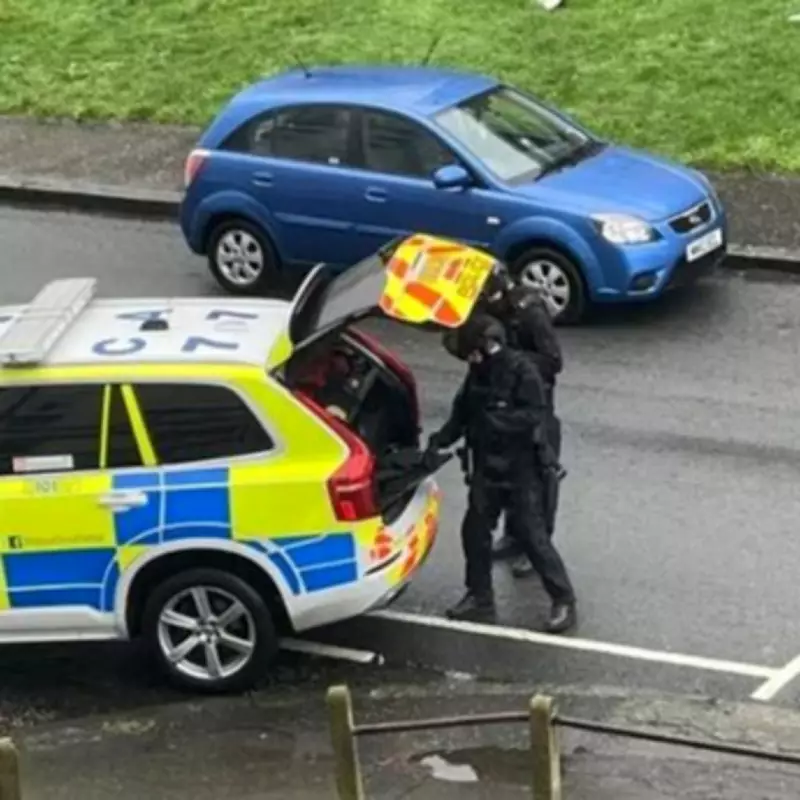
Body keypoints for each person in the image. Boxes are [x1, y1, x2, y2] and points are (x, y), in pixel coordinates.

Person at [429, 314, 577, 633]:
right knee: (475, 531)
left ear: (485, 347)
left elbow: (534, 417)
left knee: (531, 534)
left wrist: (497, 421)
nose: (469, 359)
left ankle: (564, 599)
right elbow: (462, 414)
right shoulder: (477, 374)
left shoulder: (523, 371)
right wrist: (437, 441)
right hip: (486, 466)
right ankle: (480, 598)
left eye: (471, 352)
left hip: (521, 467)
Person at [449, 262, 565, 577]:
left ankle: (535, 545)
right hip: (500, 401)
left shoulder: (529, 312)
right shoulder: (486, 314)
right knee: (505, 477)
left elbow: (553, 362)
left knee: (538, 481)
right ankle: (514, 536)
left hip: (532, 403)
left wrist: (505, 358)